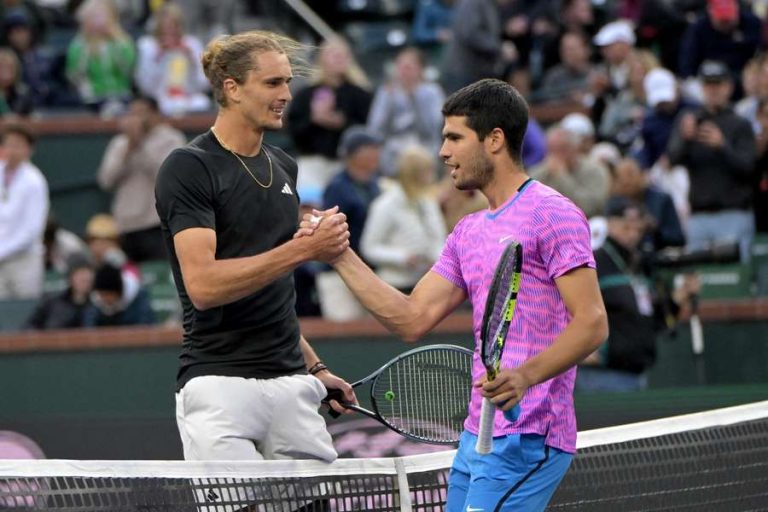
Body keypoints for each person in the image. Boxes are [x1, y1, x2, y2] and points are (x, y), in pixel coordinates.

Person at [298, 78, 608, 511]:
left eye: (454, 138)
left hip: (529, 435)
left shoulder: (553, 213)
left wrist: (524, 376)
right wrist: (339, 254)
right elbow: (410, 318)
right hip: (476, 436)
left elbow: (592, 322)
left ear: (494, 140)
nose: (443, 152)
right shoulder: (468, 231)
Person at [153, 30, 356, 483]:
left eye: (287, 82)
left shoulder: (284, 166)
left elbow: (274, 287)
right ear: (231, 88)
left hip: (290, 383)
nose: (286, 94)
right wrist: (302, 249)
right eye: (271, 83)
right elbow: (203, 287)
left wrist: (315, 367)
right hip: (220, 386)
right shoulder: (188, 166)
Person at [577, 197, 697, 392]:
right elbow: (568, 304)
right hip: (602, 375)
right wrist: (580, 347)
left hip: (638, 373)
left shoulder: (641, 264)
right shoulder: (595, 260)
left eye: (638, 229)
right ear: (610, 224)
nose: (633, 234)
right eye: (626, 227)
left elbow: (652, 321)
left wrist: (677, 299)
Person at [97, 96, 186, 262]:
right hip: (125, 226)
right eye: (133, 114)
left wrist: (141, 145)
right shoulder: (121, 143)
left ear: (156, 114)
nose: (136, 119)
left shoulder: (171, 139)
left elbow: (168, 176)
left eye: (141, 113)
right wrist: (129, 148)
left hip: (156, 225)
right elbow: (106, 180)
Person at [0, 123, 48, 300]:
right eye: (9, 144)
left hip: (24, 260)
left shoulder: (35, 181)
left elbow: (32, 230)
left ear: (29, 149)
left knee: (25, 313)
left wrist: (3, 250)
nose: (12, 150)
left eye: (18, 145)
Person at [25, 254, 93, 330]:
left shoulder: (97, 304)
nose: (84, 279)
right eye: (80, 275)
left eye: (87, 276)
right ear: (70, 278)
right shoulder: (53, 302)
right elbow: (30, 327)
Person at [83, 262, 155, 327]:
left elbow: (146, 326)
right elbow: (89, 328)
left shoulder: (138, 298)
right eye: (102, 295)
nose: (105, 299)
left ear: (118, 292)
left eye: (108, 294)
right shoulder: (96, 302)